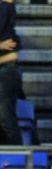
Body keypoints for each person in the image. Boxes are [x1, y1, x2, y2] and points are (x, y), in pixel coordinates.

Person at [0, 0, 23, 145]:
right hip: (6, 66)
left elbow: (13, 43)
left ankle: (19, 160)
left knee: (6, 120)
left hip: (5, 71)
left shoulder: (4, 7)